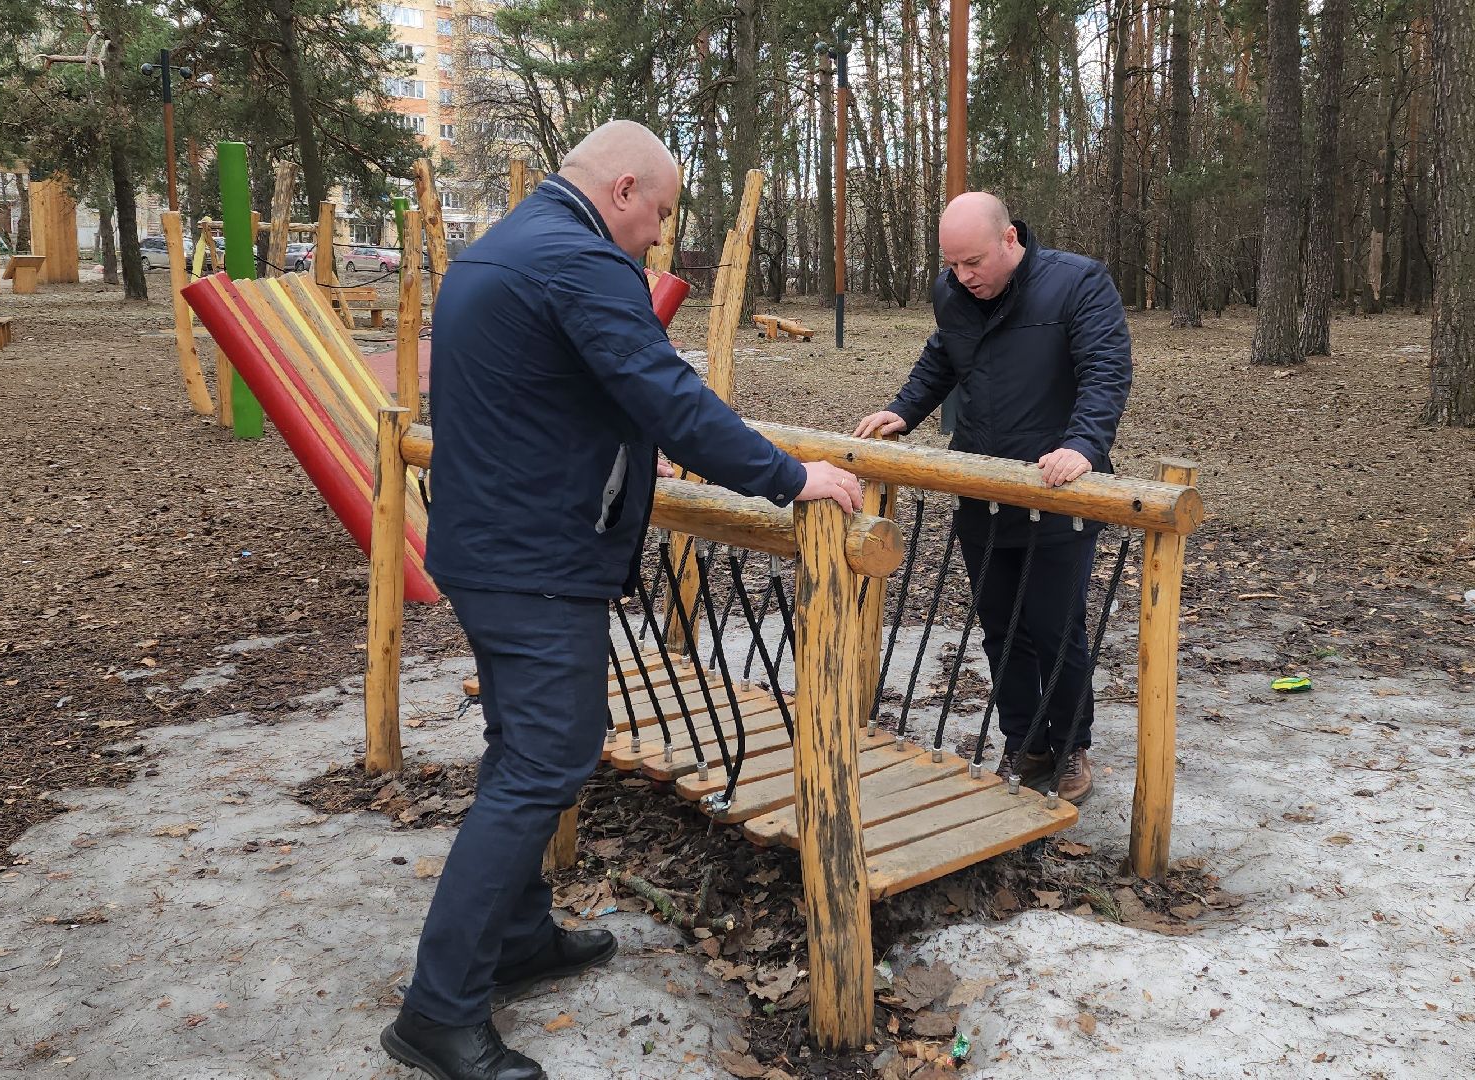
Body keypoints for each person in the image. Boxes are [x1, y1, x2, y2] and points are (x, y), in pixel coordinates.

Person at [384, 120, 864, 1080]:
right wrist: (787, 476)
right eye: (661, 212)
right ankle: (439, 1010)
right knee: (546, 755)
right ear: (625, 188)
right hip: (536, 559)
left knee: (526, 746)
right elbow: (666, 397)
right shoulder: (580, 261)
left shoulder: (498, 252)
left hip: (488, 545)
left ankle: (516, 936)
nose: (658, 234)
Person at [854, 192, 1131, 805]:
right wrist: (904, 411)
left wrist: (1084, 445)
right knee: (1001, 626)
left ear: (1011, 240)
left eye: (973, 262)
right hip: (980, 487)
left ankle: (1069, 747)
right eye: (952, 264)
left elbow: (1105, 369)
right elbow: (941, 359)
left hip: (1057, 489)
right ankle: (1023, 741)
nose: (963, 276)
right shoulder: (953, 292)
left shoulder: (1078, 283)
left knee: (1055, 626)